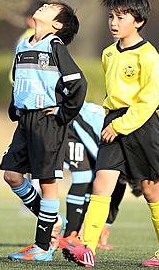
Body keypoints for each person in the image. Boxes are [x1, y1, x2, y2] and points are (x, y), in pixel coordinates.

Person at [63, 0, 159, 267]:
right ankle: (88, 248)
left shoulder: (149, 56)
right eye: (111, 17)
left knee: (151, 188)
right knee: (102, 181)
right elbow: (112, 95)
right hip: (112, 123)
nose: (114, 23)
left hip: (140, 126)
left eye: (121, 17)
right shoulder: (108, 54)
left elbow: (150, 100)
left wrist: (122, 125)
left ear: (138, 21)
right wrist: (109, 121)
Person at [0, 2, 86, 262]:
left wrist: (63, 113)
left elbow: (78, 83)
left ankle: (43, 247)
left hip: (48, 122)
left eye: (50, 8)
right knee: (12, 175)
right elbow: (19, 79)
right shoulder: (23, 45)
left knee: (47, 181)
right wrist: (15, 106)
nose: (44, 6)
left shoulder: (55, 46)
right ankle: (51, 220)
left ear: (57, 25)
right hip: (25, 122)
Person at [58, 102, 129, 250]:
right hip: (73, 125)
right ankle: (70, 235)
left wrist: (106, 224)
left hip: (96, 136)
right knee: (84, 176)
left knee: (113, 180)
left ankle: (88, 234)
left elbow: (120, 184)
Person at [8, 0, 48, 85]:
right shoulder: (31, 37)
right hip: (28, 84)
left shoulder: (26, 36)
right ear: (29, 20)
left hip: (19, 81)